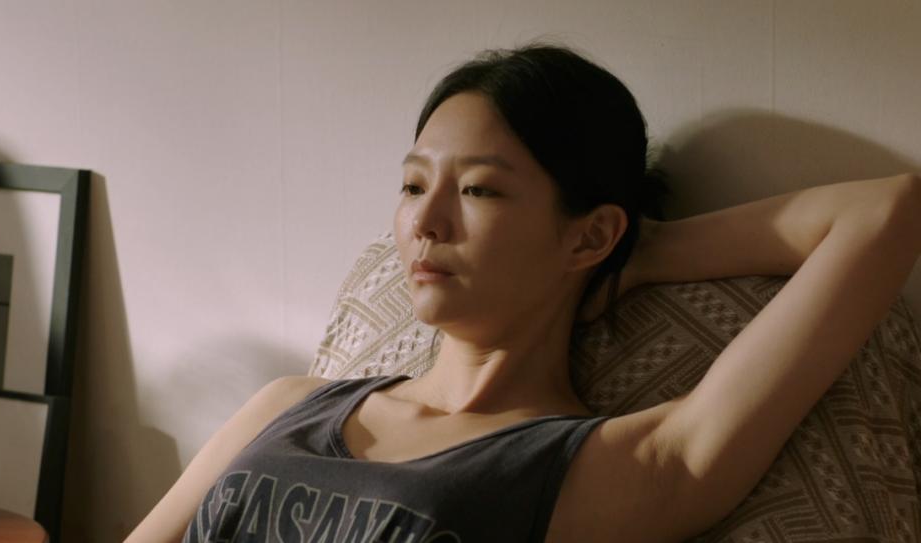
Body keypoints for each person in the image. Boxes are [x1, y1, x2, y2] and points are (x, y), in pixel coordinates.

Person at [125, 41, 921, 542]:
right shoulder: (290, 403)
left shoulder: (611, 465)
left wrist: (636, 252)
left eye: (477, 190)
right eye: (413, 185)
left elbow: (886, 212)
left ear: (590, 233)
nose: (425, 222)